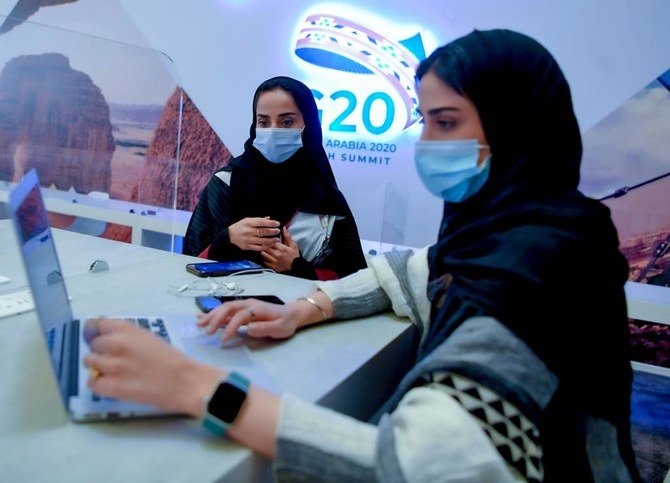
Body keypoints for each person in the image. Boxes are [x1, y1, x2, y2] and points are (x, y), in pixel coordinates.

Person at [84, 30, 640, 482]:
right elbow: (408, 272)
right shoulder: (516, 236)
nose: (428, 142)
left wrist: (195, 387)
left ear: (516, 128)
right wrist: (304, 308)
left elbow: (407, 466)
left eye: (445, 122)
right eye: (426, 122)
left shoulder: (530, 277)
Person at [183, 76, 366, 280]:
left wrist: (300, 269)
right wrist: (226, 240)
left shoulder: (326, 199)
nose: (273, 130)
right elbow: (187, 260)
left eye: (287, 122)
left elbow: (355, 280)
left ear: (310, 125)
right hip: (223, 306)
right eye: (263, 121)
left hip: (295, 309)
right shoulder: (225, 183)